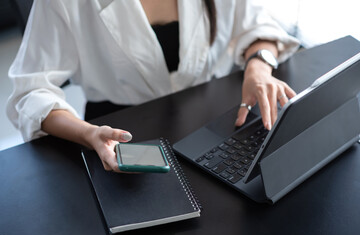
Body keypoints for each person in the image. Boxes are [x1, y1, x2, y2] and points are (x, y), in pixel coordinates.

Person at [6, 0, 299, 172]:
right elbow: (32, 91)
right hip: (119, 137)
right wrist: (88, 133)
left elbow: (258, 24)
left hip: (212, 130)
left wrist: (259, 67)